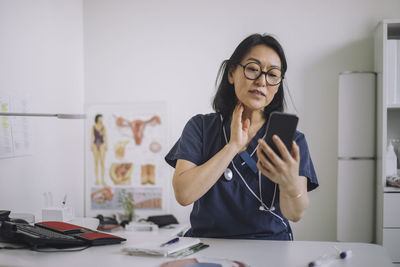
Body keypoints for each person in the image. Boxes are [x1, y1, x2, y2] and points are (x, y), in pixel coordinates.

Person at [165, 33, 318, 240]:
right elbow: (183, 195)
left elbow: (295, 213)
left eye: (272, 74)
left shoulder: (290, 140)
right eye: (253, 69)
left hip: (269, 249)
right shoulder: (200, 127)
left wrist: (290, 184)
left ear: (278, 84)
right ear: (231, 73)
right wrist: (232, 147)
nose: (262, 81)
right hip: (209, 247)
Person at [91, 114, 108, 185]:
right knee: (96, 162)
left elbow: (105, 136)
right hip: (95, 144)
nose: (101, 119)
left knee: (102, 162)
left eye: (102, 118)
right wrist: (91, 144)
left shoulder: (104, 127)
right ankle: (97, 180)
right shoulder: (93, 127)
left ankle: (103, 180)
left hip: (102, 144)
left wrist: (107, 144)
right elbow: (92, 136)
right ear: (97, 119)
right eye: (100, 118)